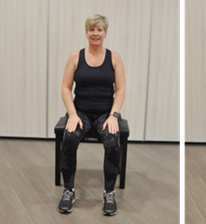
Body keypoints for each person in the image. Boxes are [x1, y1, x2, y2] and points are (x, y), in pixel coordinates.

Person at [58, 14, 126, 216]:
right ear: (86, 32)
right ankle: (68, 190)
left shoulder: (114, 57)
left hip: (106, 112)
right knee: (69, 138)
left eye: (100, 30)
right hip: (80, 112)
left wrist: (114, 115)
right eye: (92, 29)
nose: (95, 33)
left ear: (105, 33)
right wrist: (72, 114)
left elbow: (121, 90)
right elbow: (65, 88)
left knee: (113, 141)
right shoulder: (75, 57)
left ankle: (109, 192)